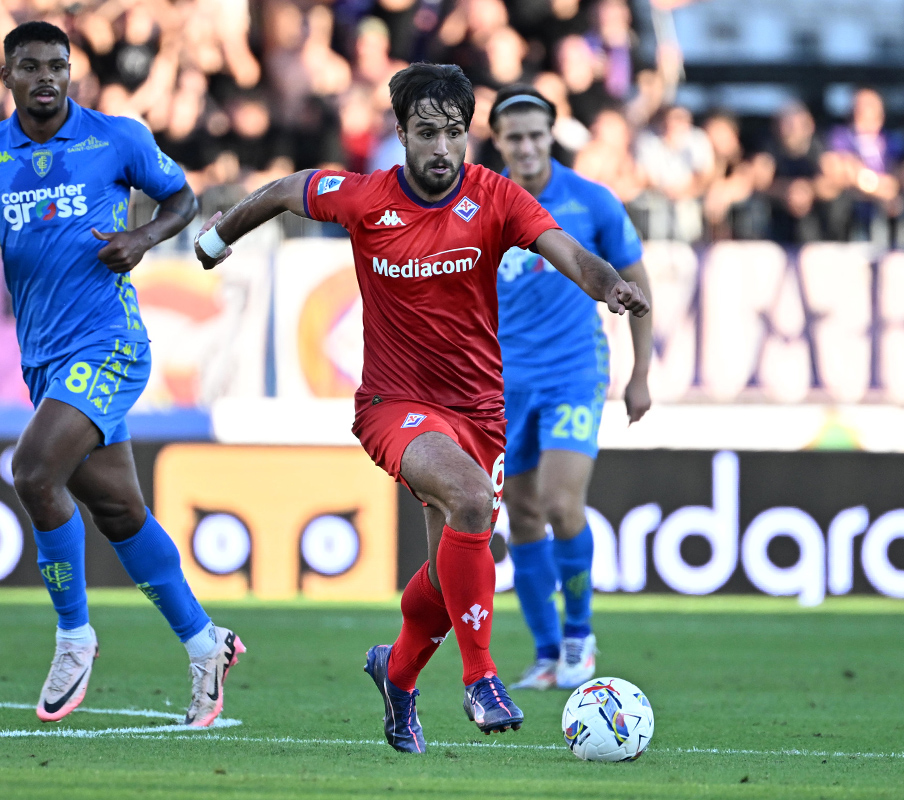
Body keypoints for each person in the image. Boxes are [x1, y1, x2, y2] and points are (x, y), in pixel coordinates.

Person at [193, 63, 648, 753]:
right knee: (472, 502)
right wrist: (219, 235)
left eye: (455, 133)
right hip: (393, 404)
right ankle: (480, 676)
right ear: (401, 134)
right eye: (427, 132)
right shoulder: (363, 197)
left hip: (478, 413)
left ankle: (397, 676)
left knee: (447, 571)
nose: (443, 148)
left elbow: (571, 254)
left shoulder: (494, 197)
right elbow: (287, 191)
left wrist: (610, 286)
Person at [0, 21, 242, 727]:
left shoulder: (119, 138)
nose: (46, 77)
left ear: (72, 71)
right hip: (44, 357)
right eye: (30, 67)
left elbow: (183, 199)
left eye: (57, 65)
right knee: (119, 510)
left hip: (110, 342)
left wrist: (141, 238)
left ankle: (74, 636)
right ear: (5, 75)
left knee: (34, 471)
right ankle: (206, 643)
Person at [488, 85, 653, 691]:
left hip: (574, 373)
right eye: (515, 137)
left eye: (537, 135)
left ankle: (580, 633)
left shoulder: (591, 202)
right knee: (523, 516)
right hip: (503, 385)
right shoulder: (482, 202)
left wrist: (641, 373)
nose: (527, 147)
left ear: (550, 136)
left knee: (561, 503)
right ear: (499, 142)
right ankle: (547, 651)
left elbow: (637, 285)